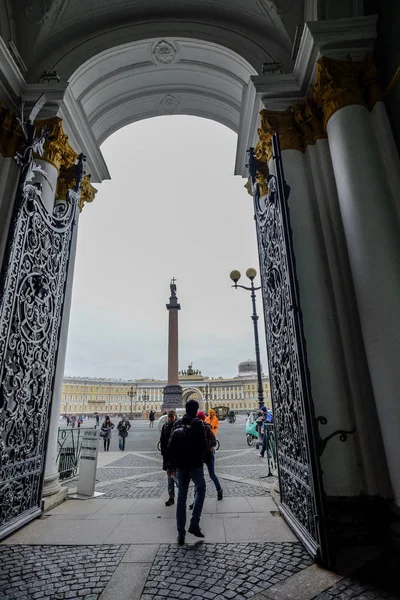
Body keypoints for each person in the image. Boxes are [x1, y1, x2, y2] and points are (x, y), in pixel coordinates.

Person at [168, 399, 207, 545]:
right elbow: (203, 445)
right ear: (196, 410)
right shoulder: (198, 423)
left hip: (181, 466)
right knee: (201, 489)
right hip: (195, 465)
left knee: (181, 498)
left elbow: (170, 444)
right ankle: (194, 522)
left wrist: (171, 465)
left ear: (185, 409)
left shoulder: (177, 424)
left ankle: (181, 534)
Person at [189, 411, 223, 509]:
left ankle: (219, 490)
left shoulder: (207, 427)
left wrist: (204, 446)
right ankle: (195, 500)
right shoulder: (195, 428)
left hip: (208, 454)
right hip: (200, 455)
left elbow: (213, 441)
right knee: (198, 478)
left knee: (212, 474)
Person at [160, 410, 177, 506]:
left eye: (172, 416)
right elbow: (162, 440)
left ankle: (182, 494)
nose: (170, 418)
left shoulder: (178, 426)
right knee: (170, 477)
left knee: (178, 476)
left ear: (175, 417)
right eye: (169, 417)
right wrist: (163, 453)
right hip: (168, 456)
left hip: (176, 456)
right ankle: (171, 497)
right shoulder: (165, 426)